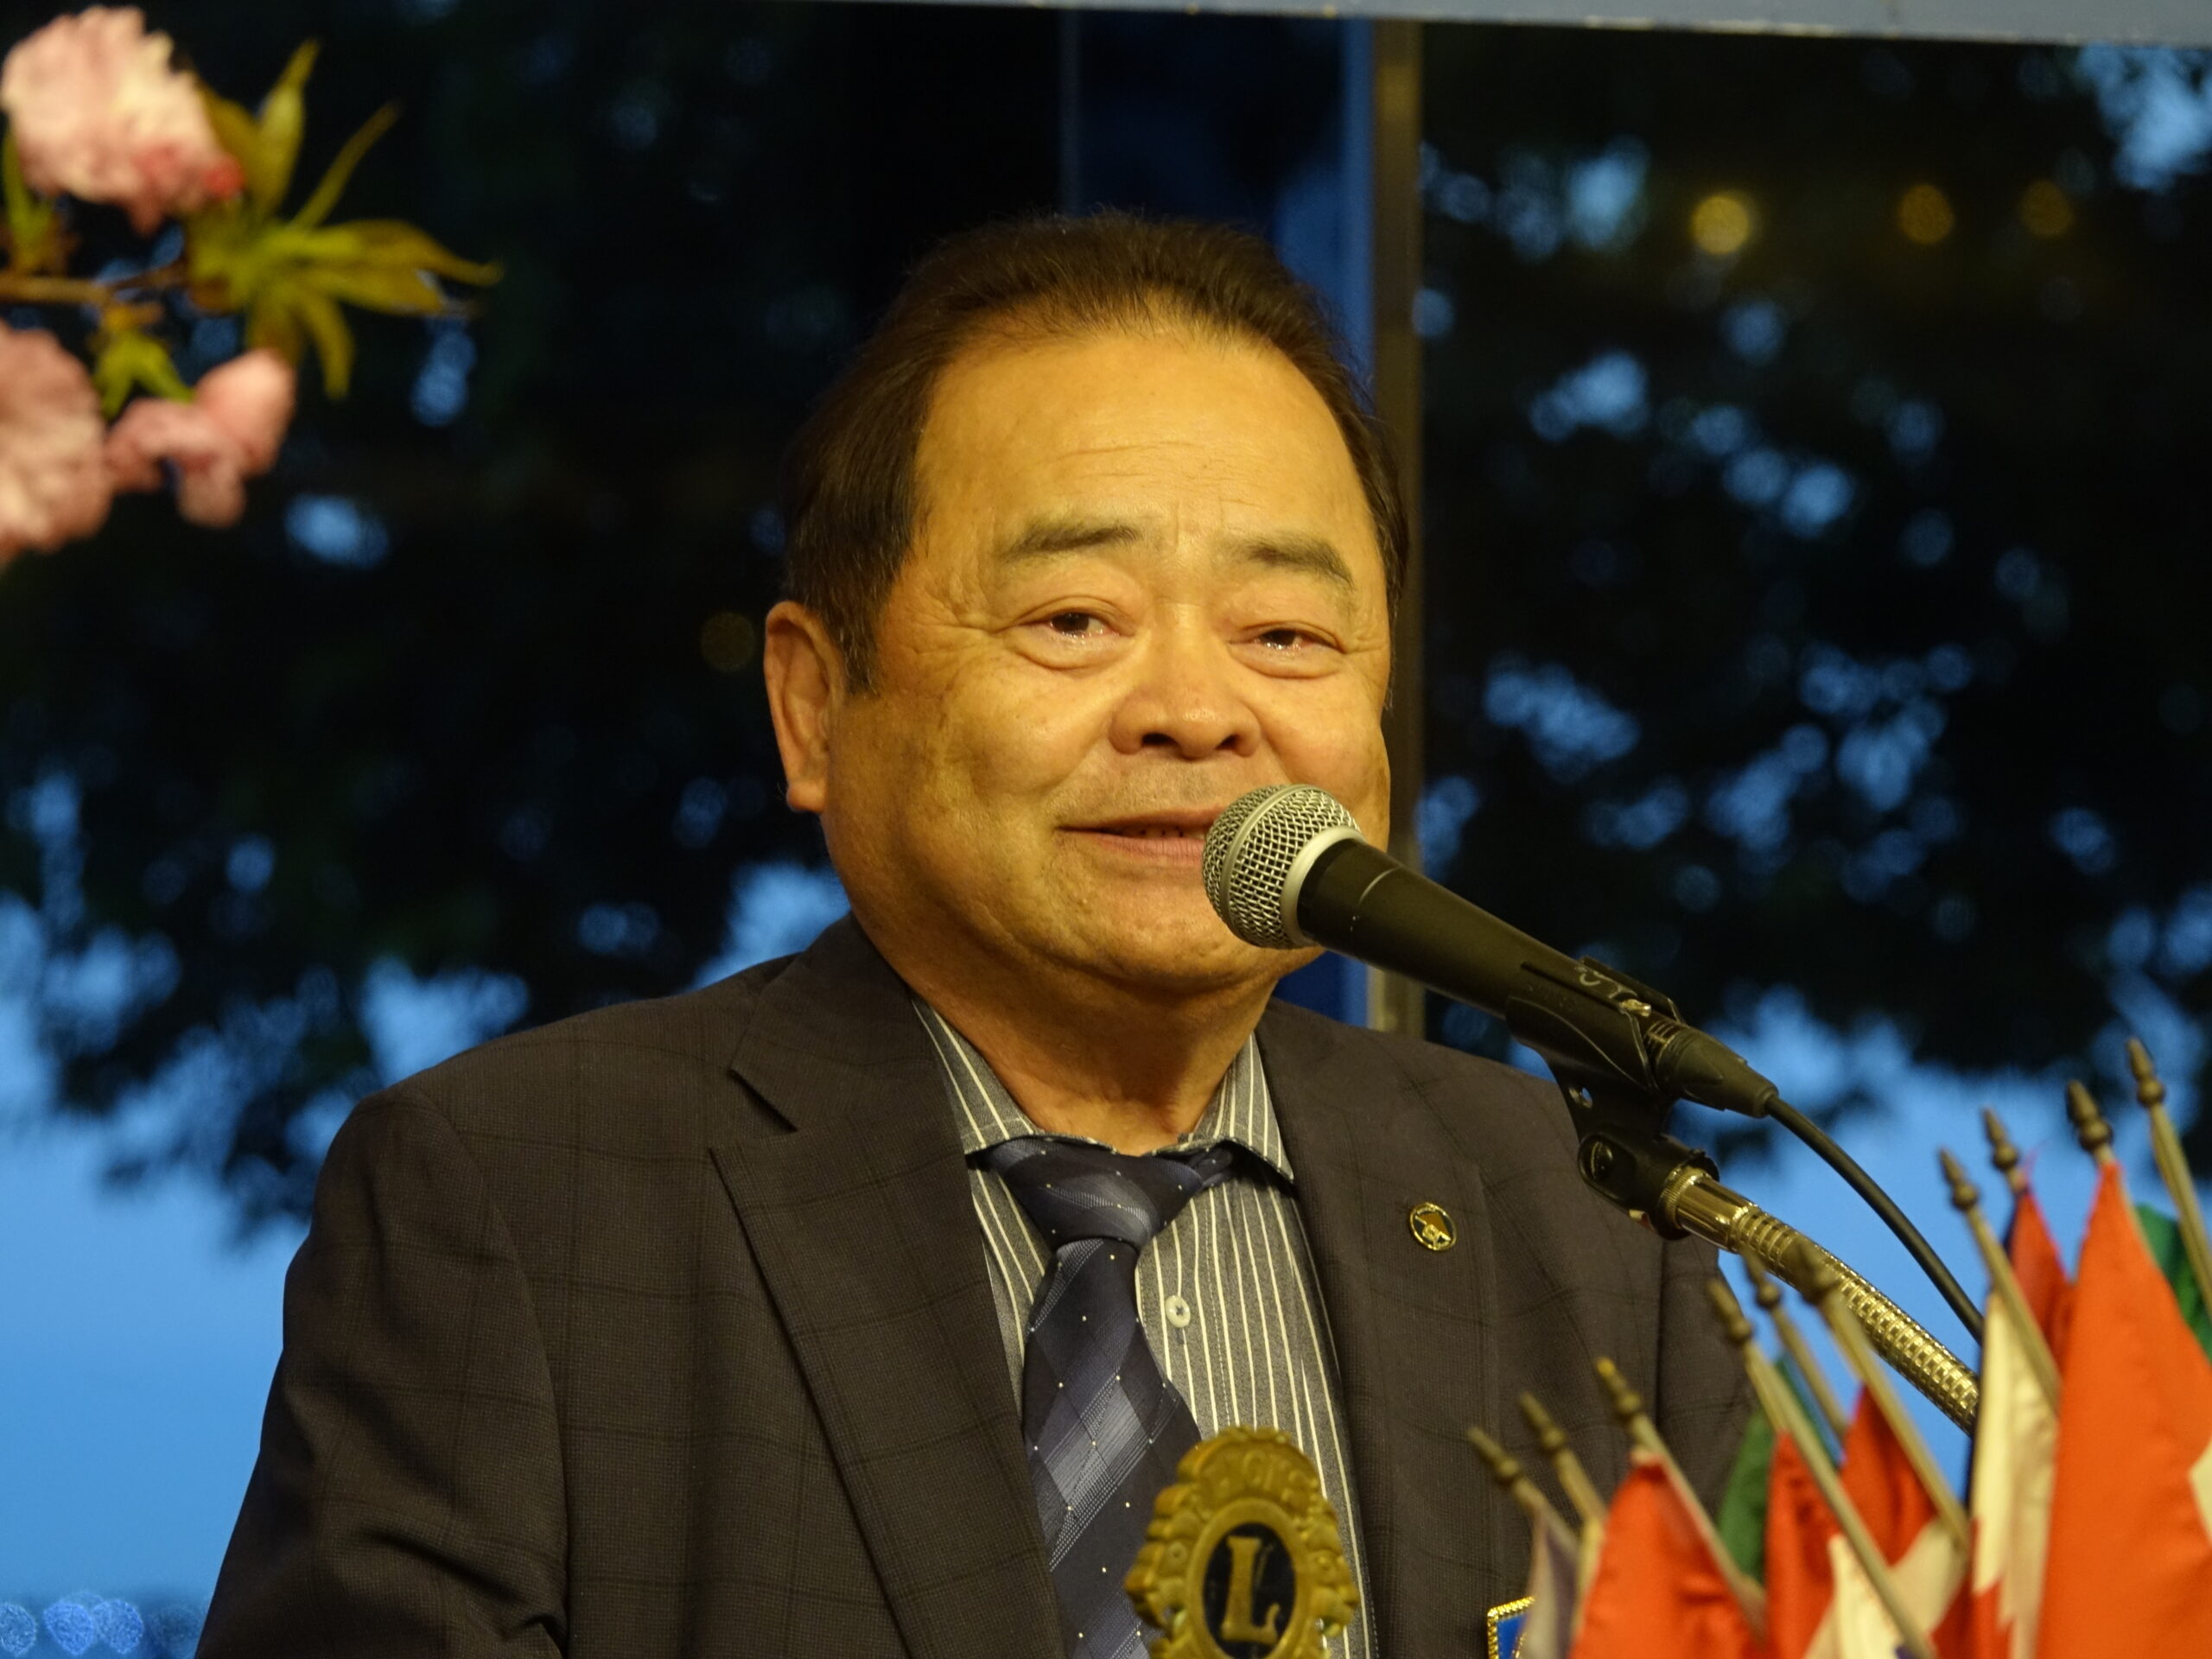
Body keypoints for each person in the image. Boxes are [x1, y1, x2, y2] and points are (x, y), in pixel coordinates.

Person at [198, 213, 1747, 1659]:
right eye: (1074, 620)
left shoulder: (1587, 1225)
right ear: (815, 705)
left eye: (1285, 634)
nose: (1196, 713)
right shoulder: (523, 1207)